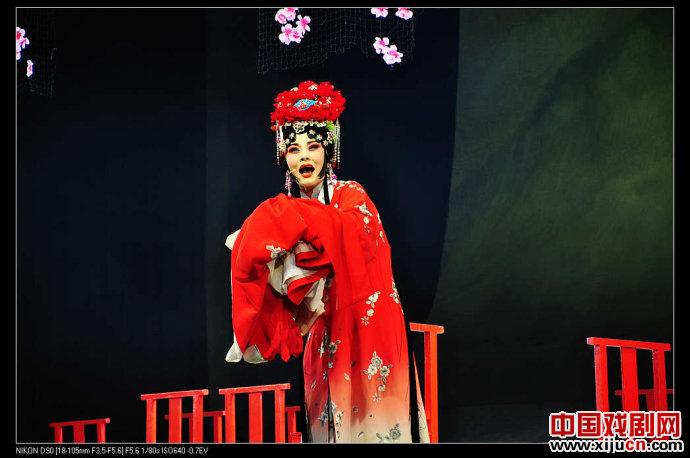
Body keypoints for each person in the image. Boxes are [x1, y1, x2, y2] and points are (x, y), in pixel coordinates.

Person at [225, 81, 428, 443]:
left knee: (377, 423)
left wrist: (286, 219)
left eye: (313, 146)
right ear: (284, 157)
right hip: (324, 332)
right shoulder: (290, 215)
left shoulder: (351, 196)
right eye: (294, 149)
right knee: (327, 424)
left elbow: (354, 237)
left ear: (329, 149)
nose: (304, 156)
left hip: (367, 327)